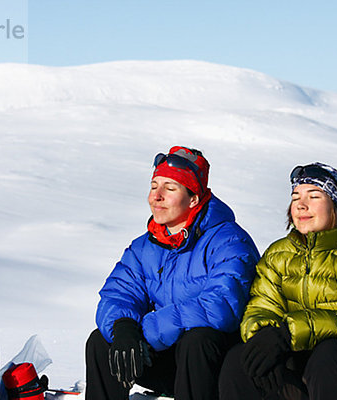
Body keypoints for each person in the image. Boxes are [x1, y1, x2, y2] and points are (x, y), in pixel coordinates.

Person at [219, 162, 337, 400]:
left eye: (314, 196)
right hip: (307, 361)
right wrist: (265, 337)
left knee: (330, 355)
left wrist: (287, 333)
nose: (301, 204)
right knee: (243, 358)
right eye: (296, 196)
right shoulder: (278, 254)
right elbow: (261, 307)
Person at [85, 146, 260, 400]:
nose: (157, 196)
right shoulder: (144, 246)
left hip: (214, 367)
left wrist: (146, 331)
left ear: (193, 198)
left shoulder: (229, 241)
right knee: (102, 342)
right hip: (168, 356)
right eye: (154, 186)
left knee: (198, 339)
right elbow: (118, 293)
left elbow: (221, 307)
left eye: (169, 188)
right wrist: (123, 327)